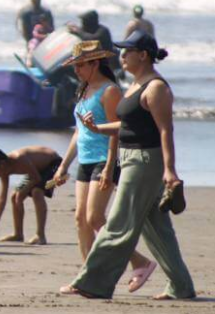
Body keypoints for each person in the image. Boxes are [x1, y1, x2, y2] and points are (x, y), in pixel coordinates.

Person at [61, 30, 195, 300]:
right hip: (131, 158)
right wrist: (98, 128)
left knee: (119, 222)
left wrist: (170, 170)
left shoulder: (156, 87)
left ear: (143, 55)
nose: (122, 57)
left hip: (145, 161)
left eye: (127, 52)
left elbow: (165, 130)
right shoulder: (136, 84)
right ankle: (181, 286)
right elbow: (128, 125)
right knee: (157, 228)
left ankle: (91, 282)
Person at [51, 41, 155, 292]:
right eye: (74, 65)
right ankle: (87, 277)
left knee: (95, 217)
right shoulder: (83, 89)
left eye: (79, 65)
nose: (75, 70)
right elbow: (78, 132)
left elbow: (116, 132)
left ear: (94, 63)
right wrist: (64, 165)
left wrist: (110, 167)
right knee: (80, 219)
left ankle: (140, 262)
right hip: (85, 162)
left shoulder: (109, 91)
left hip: (103, 160)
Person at [0, 146, 62, 245]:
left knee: (37, 192)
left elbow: (36, 178)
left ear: (2, 164)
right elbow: (2, 198)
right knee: (14, 197)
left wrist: (22, 194)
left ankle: (40, 236)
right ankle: (18, 234)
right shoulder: (3, 171)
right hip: (36, 170)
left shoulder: (19, 158)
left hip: (55, 165)